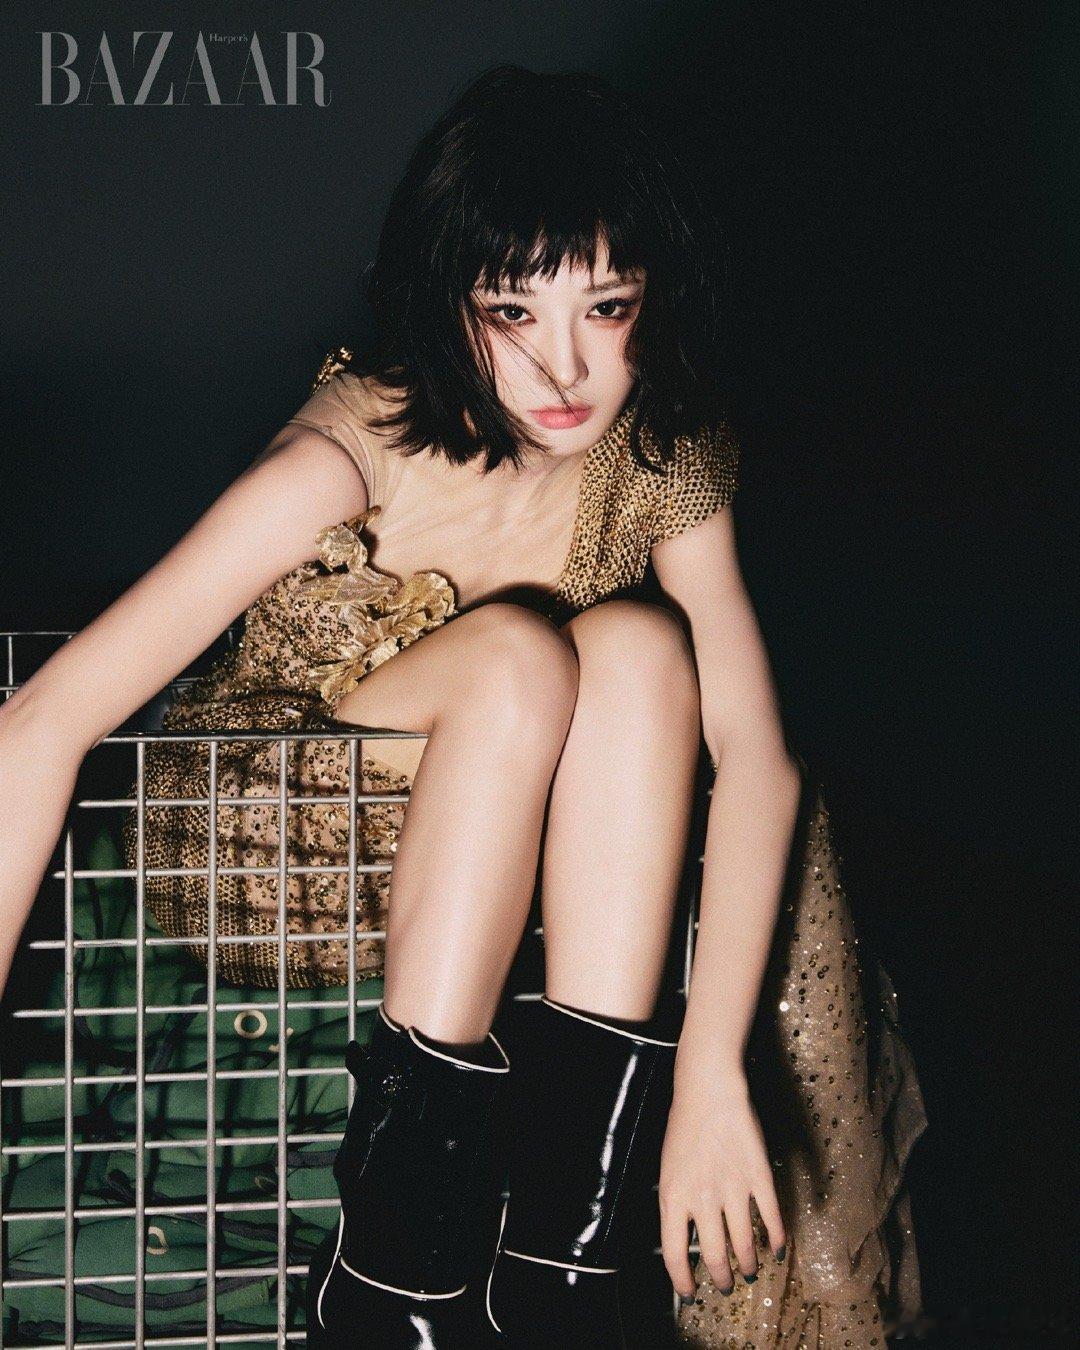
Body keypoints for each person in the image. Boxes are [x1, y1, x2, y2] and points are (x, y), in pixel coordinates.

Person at [0, 65, 928, 1349]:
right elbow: (42, 719)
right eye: (512, 311)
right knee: (515, 661)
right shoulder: (350, 449)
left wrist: (710, 1077)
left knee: (642, 650)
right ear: (448, 303)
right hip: (268, 841)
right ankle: (395, 1282)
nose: (566, 366)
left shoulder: (659, 456)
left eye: (607, 306)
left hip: (485, 845)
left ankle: (565, 1269)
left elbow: (757, 758)